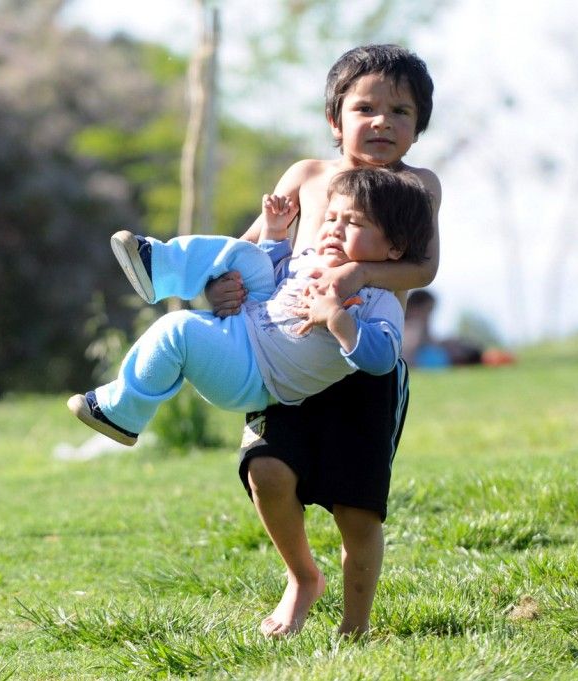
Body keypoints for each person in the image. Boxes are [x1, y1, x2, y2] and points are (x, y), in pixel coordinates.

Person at [204, 44, 441, 638]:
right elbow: (249, 249)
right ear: (336, 120)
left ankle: (354, 630)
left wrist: (357, 276)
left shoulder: (415, 187)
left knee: (358, 511)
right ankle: (302, 577)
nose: (383, 121)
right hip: (283, 354)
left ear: (418, 127)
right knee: (267, 472)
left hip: (364, 364)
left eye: (402, 111)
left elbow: (423, 269)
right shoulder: (308, 176)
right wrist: (222, 286)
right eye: (366, 108)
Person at [67, 167, 433, 454]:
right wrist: (274, 234)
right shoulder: (311, 261)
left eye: (353, 222)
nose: (333, 230)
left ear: (395, 248)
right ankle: (159, 267)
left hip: (257, 373)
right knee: (246, 255)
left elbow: (383, 358)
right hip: (250, 323)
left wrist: (336, 317)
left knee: (176, 329)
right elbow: (274, 278)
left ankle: (121, 413)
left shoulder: (379, 300)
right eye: (331, 218)